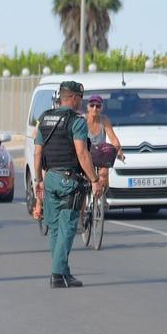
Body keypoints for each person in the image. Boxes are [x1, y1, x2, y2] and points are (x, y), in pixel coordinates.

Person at [32, 80, 103, 288]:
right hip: (68, 180)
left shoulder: (44, 118)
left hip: (50, 177)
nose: (81, 102)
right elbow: (82, 153)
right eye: (80, 98)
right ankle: (57, 274)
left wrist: (38, 181)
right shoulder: (76, 121)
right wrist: (94, 179)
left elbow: (37, 153)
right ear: (73, 97)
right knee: (67, 228)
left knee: (54, 228)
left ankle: (63, 272)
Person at [84, 94, 124, 188]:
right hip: (86, 153)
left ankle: (102, 198)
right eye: (92, 105)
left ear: (102, 108)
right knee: (85, 178)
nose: (94, 108)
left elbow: (113, 139)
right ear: (88, 107)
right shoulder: (82, 120)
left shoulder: (104, 120)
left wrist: (119, 151)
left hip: (100, 153)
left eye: (98, 106)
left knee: (104, 173)